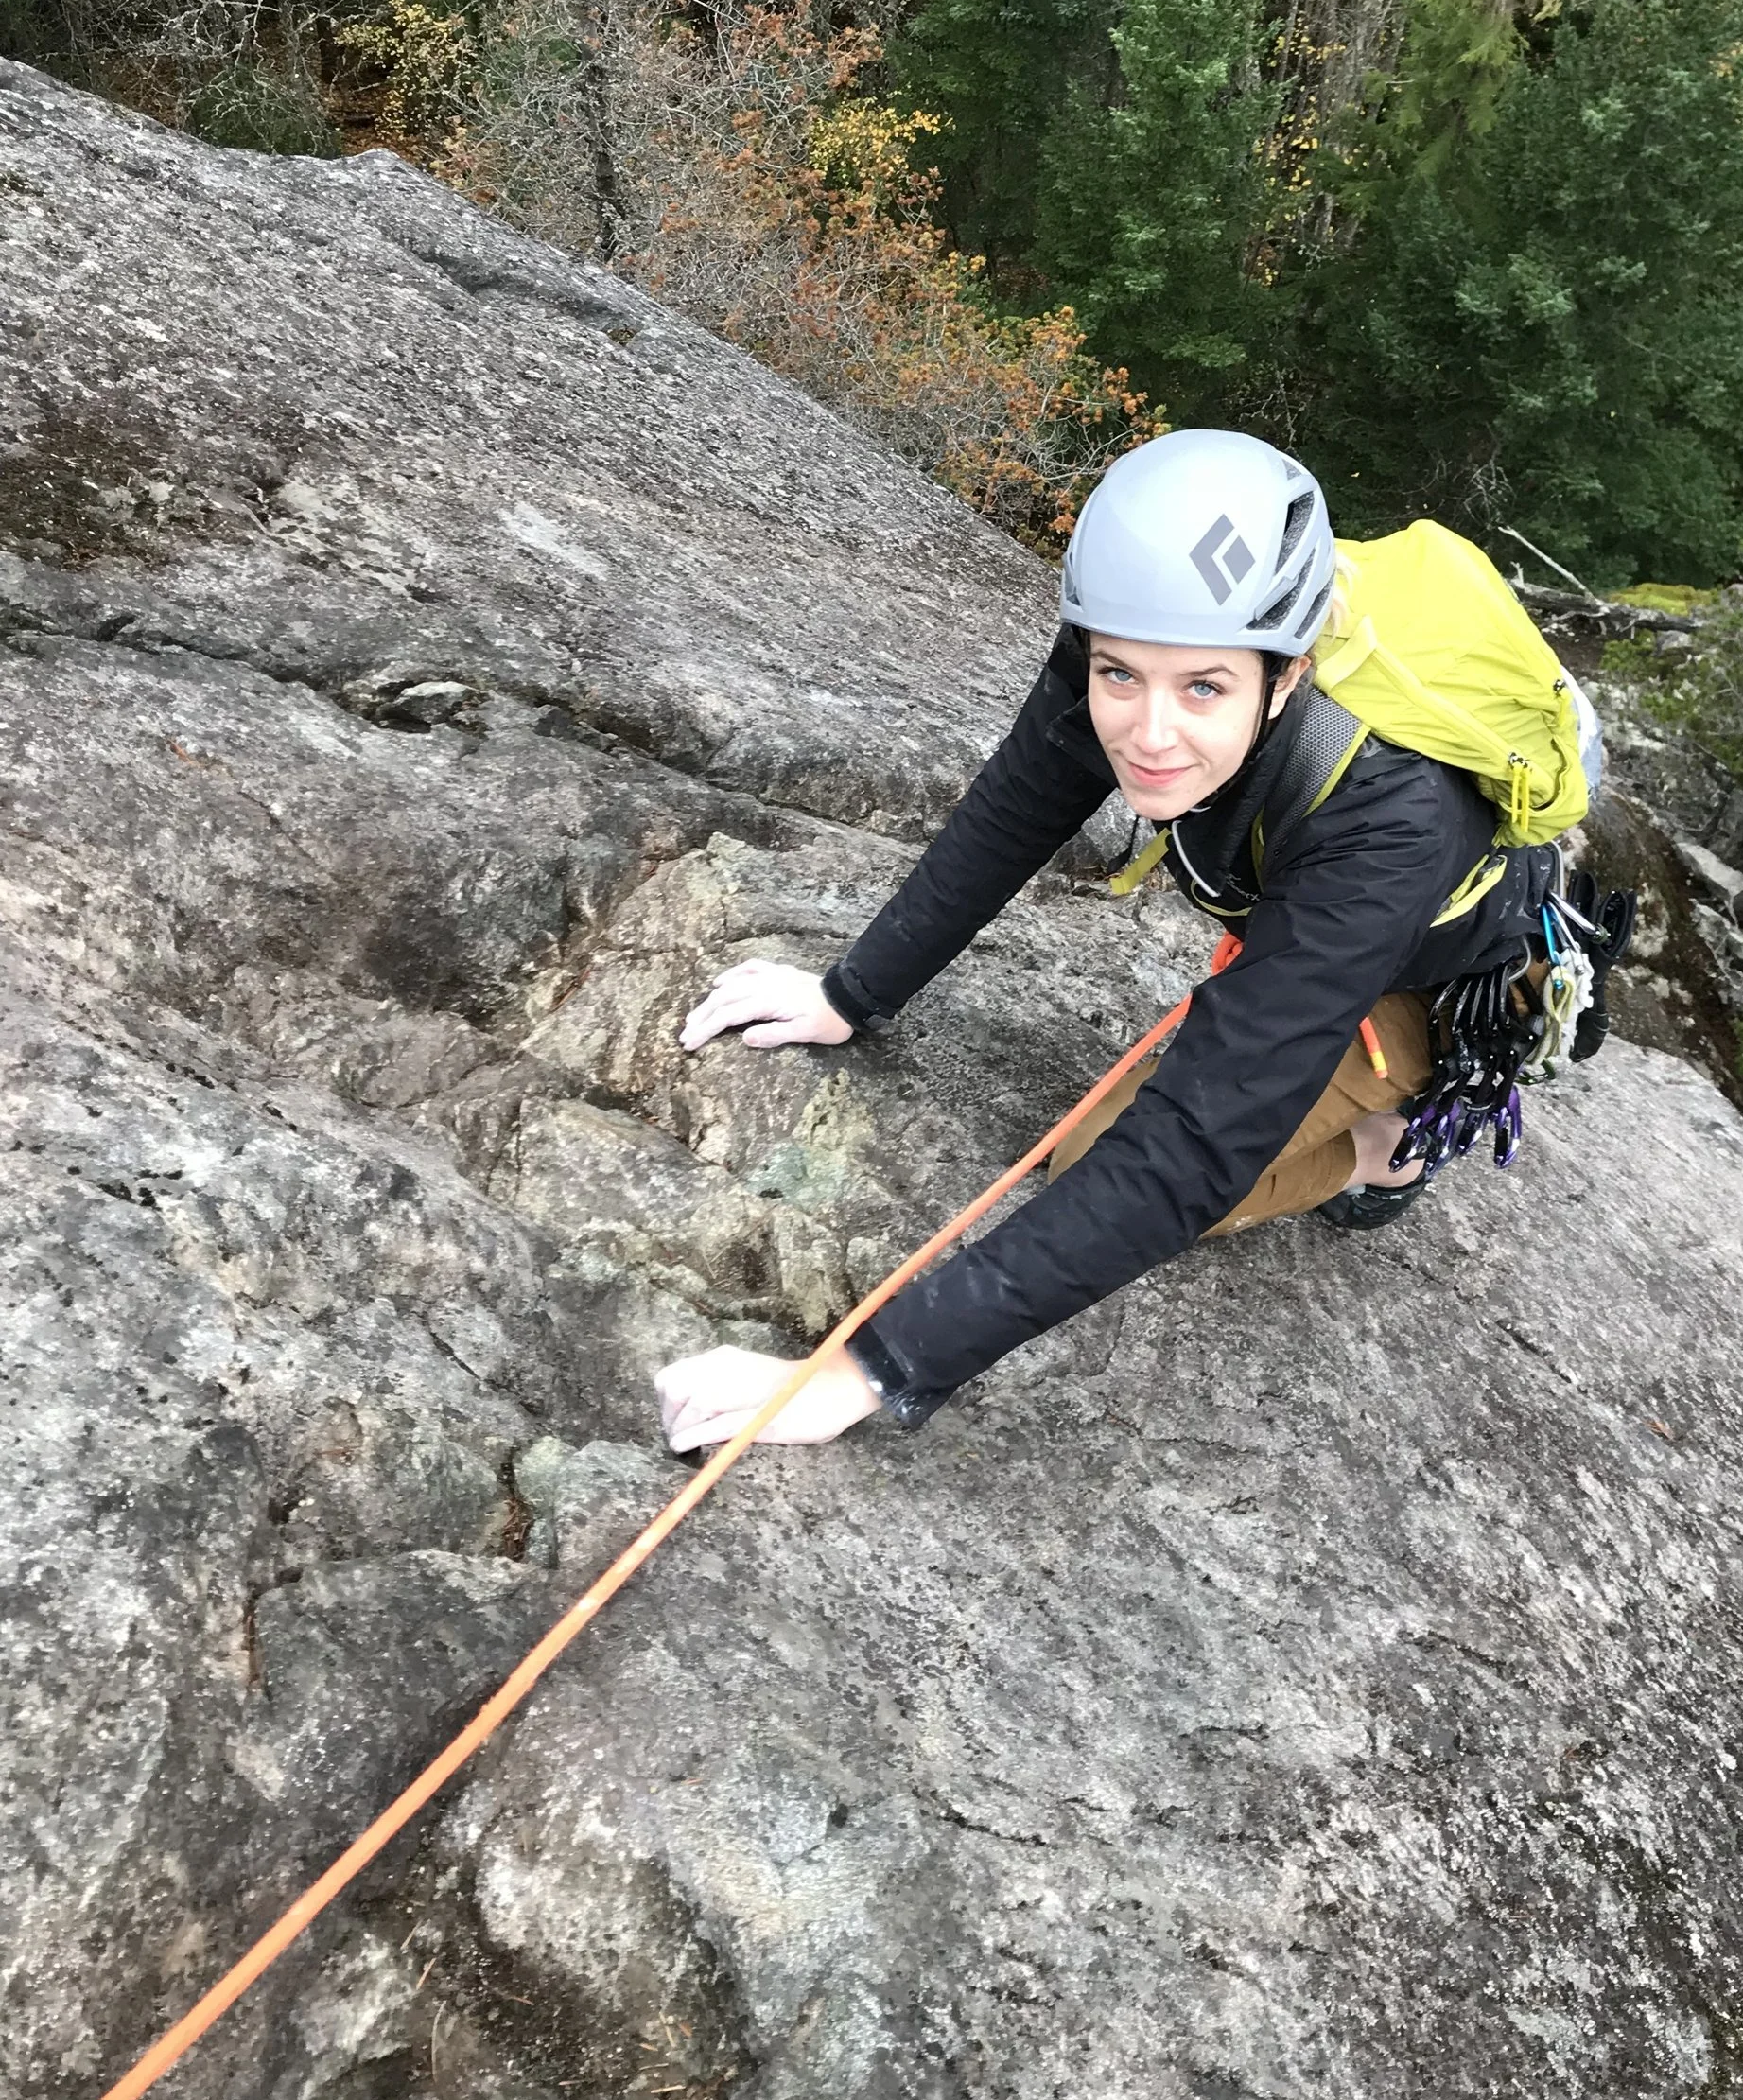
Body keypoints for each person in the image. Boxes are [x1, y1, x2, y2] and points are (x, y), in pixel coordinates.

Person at [653, 431, 1609, 1455]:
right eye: (1120, 676)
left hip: (1446, 981)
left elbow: (1192, 1151)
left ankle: (1382, 1157)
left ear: (1287, 673)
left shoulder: (1394, 812)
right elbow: (1019, 803)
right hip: (1314, 916)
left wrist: (863, 1371)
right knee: (1114, 1153)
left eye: (1203, 689)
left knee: (1101, 1161)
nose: (1148, 733)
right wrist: (850, 992)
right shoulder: (1139, 628)